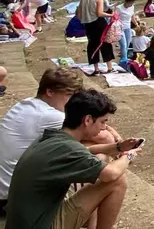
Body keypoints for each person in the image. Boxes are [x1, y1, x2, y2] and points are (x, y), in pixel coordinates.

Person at [4, 90, 143, 229]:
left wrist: (118, 147)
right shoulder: (69, 148)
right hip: (41, 224)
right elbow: (111, 174)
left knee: (96, 168)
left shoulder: (53, 137)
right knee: (117, 181)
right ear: (87, 120)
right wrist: (129, 155)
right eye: (102, 122)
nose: (104, 127)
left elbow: (85, 151)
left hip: (29, 219)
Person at [0, 68, 85, 209]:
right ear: (50, 92)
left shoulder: (26, 103)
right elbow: (93, 130)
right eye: (69, 95)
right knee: (93, 157)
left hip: (6, 189)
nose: (73, 102)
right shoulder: (49, 115)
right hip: (10, 197)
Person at [75, 0, 115, 74]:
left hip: (88, 24)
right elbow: (99, 13)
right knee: (105, 44)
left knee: (92, 45)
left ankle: (96, 69)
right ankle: (109, 67)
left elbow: (78, 14)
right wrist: (111, 15)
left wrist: (85, 18)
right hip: (99, 23)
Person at [115, 0, 138, 64]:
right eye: (130, 4)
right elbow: (115, 18)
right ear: (126, 2)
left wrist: (136, 24)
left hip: (128, 27)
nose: (130, 5)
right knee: (123, 44)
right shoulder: (119, 8)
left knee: (127, 44)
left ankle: (123, 58)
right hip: (120, 28)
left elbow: (132, 17)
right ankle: (124, 60)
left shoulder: (132, 7)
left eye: (132, 4)